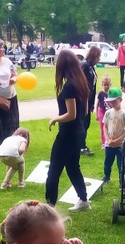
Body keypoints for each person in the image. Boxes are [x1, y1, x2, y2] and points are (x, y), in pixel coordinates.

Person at [45, 50, 91, 212]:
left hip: (68, 134)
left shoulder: (70, 86)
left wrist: (55, 119)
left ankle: (50, 207)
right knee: (72, 167)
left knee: (54, 170)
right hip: (79, 132)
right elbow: (84, 112)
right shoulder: (81, 82)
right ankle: (84, 200)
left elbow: (71, 114)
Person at [102, 87, 125, 183]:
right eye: (110, 101)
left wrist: (119, 140)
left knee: (121, 164)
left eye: (114, 101)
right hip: (109, 144)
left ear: (120, 100)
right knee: (107, 163)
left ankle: (122, 182)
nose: (112, 103)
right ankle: (106, 176)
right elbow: (105, 126)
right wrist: (108, 139)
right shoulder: (108, 113)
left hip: (120, 145)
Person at [80, 46, 101, 157]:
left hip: (89, 100)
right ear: (94, 55)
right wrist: (86, 102)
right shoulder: (85, 66)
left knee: (86, 123)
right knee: (83, 122)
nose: (99, 59)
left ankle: (82, 144)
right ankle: (81, 146)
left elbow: (93, 86)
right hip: (83, 100)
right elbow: (83, 84)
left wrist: (92, 103)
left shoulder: (91, 67)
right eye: (98, 56)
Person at [96, 74, 111, 148]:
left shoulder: (111, 93)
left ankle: (108, 140)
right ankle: (103, 142)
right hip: (102, 111)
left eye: (108, 85)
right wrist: (97, 114)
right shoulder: (101, 94)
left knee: (109, 126)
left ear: (110, 85)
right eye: (105, 85)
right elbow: (97, 104)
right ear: (102, 85)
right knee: (102, 127)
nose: (106, 87)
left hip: (109, 112)